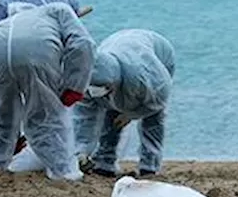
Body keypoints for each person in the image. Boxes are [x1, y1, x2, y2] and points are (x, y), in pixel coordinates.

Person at [0, 2, 95, 179]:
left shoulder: (4, 24)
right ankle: (62, 172)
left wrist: (13, 136)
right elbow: (83, 44)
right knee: (47, 115)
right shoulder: (59, 11)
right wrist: (75, 86)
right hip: (36, 50)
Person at [74, 29, 176, 177]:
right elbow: (84, 120)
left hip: (158, 56)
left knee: (153, 120)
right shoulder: (86, 80)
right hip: (119, 47)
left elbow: (160, 99)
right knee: (111, 116)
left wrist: (131, 114)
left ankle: (149, 166)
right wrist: (81, 151)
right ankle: (104, 163)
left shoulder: (143, 74)